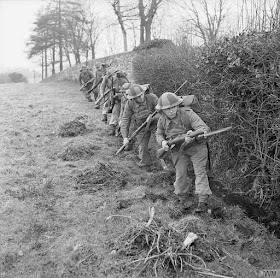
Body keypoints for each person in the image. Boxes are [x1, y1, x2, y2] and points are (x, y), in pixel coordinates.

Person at [155, 92, 212, 213]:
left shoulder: (187, 113)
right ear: (162, 111)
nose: (171, 111)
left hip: (197, 147)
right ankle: (181, 198)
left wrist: (192, 134)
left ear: (178, 105)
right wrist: (163, 142)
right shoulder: (162, 120)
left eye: (173, 107)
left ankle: (202, 201)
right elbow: (159, 133)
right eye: (167, 109)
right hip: (178, 150)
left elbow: (203, 128)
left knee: (200, 172)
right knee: (180, 174)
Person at [121, 84, 158, 167]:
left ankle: (164, 162)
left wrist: (153, 117)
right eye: (138, 97)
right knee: (142, 146)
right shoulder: (130, 103)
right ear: (133, 98)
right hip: (141, 126)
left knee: (159, 143)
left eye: (141, 95)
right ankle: (146, 162)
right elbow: (125, 120)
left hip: (156, 125)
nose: (141, 98)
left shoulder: (152, 98)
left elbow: (162, 113)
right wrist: (125, 137)